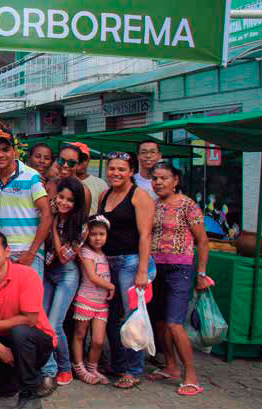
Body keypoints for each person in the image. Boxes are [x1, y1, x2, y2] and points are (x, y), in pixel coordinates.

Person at [0, 231, 56, 409]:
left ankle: (29, 392)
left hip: (37, 340)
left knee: (20, 332)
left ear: (7, 251)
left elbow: (30, 320)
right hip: (5, 338)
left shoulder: (27, 275)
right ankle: (12, 376)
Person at [146, 161, 209, 397]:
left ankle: (190, 373)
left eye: (164, 178)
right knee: (161, 322)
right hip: (155, 269)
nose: (159, 182)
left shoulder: (187, 205)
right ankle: (170, 367)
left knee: (174, 323)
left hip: (180, 270)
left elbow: (202, 240)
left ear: (176, 180)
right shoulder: (152, 205)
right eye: (155, 179)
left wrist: (201, 273)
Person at [98, 151, 157, 389]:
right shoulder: (105, 194)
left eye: (121, 169)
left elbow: (145, 235)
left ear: (131, 171)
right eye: (112, 168)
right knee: (111, 318)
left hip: (132, 262)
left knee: (133, 318)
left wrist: (142, 270)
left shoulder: (139, 196)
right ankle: (118, 364)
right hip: (109, 262)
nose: (116, 173)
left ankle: (133, 370)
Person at [41, 177, 87, 386]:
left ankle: (65, 368)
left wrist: (50, 227)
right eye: (61, 197)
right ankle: (47, 367)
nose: (64, 202)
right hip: (47, 272)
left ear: (76, 203)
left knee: (54, 324)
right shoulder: (51, 209)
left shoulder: (81, 225)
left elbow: (62, 255)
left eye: (70, 200)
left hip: (67, 274)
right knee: (42, 323)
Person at [0, 129, 51, 278]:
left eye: (6, 150)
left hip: (29, 252)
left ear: (14, 151)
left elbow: (47, 214)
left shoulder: (31, 176)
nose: (1, 154)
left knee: (31, 300)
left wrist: (31, 252)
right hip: (4, 252)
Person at [72, 215, 114, 385]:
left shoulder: (104, 254)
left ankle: (92, 367)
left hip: (101, 304)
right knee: (80, 334)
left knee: (97, 340)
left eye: (102, 234)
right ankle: (79, 366)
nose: (98, 238)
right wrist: (111, 286)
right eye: (94, 234)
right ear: (87, 235)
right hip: (86, 300)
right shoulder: (86, 252)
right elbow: (92, 276)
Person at [73, 142, 109, 215]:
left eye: (83, 158)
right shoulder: (60, 182)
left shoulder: (100, 184)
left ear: (88, 159)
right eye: (76, 159)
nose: (80, 162)